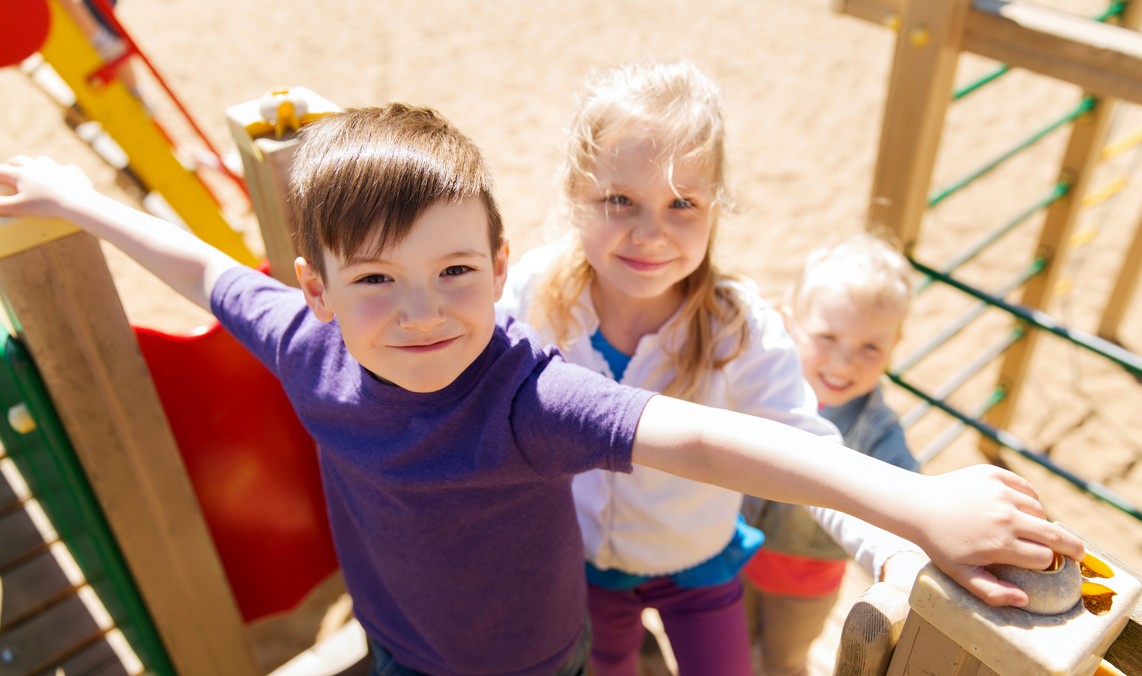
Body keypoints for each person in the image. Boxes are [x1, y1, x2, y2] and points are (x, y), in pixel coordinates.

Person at [0, 104, 1082, 676]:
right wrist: (79, 199)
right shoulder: (303, 346)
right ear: (316, 291)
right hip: (399, 648)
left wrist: (914, 503)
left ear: (502, 259)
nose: (422, 311)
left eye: (454, 273)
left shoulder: (525, 398)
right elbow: (205, 270)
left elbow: (707, 441)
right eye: (376, 281)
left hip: (537, 658)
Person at [498, 61, 932, 676]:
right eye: (620, 199)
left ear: (714, 209)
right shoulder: (533, 297)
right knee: (607, 663)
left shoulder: (738, 330)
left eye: (682, 203)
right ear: (575, 195)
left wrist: (890, 545)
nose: (650, 234)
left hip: (698, 563)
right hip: (582, 562)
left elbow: (807, 449)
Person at [741, 232, 922, 675]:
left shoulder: (878, 430)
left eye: (870, 347)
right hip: (736, 556)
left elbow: (910, 494)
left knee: (784, 659)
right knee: (736, 648)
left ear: (893, 347)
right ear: (790, 324)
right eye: (827, 337)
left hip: (806, 585)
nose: (844, 363)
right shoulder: (763, 388)